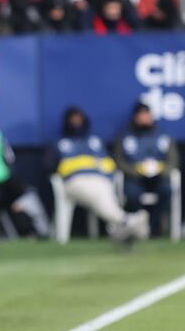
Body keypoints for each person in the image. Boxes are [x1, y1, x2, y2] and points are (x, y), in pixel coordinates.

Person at [49, 107, 149, 242]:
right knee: (98, 194)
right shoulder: (59, 143)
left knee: (103, 192)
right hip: (75, 181)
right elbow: (50, 166)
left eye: (78, 119)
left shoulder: (94, 141)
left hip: (99, 179)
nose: (76, 122)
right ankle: (125, 220)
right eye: (73, 119)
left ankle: (123, 224)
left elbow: (109, 162)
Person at [114, 102, 179, 236]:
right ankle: (138, 226)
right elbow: (119, 160)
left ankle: (153, 226)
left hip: (158, 177)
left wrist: (162, 170)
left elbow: (173, 159)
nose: (144, 118)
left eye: (146, 115)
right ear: (135, 117)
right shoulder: (125, 136)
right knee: (132, 194)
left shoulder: (163, 135)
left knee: (167, 190)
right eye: (141, 115)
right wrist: (135, 171)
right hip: (135, 177)